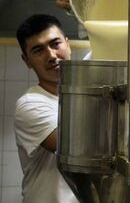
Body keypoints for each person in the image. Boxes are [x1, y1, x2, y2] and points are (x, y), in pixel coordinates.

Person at [14, 14, 78, 202]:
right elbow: (72, 147)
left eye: (55, 44)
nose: (51, 55)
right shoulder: (30, 104)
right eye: (38, 50)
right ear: (27, 60)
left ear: (68, 45)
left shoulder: (83, 98)